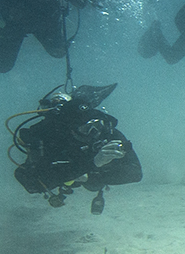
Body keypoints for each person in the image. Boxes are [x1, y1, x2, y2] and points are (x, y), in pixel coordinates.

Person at [10, 83, 143, 214]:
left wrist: (90, 177)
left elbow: (135, 173)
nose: (93, 132)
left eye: (95, 125)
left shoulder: (106, 132)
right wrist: (92, 164)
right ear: (71, 130)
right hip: (66, 170)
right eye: (85, 128)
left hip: (89, 175)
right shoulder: (53, 140)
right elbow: (31, 183)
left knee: (93, 186)